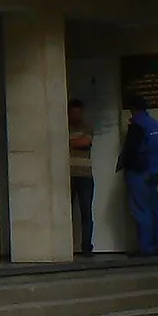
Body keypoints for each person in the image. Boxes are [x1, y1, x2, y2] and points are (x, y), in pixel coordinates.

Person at [116, 95, 158, 255]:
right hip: (153, 172)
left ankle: (146, 248)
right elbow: (157, 151)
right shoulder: (155, 125)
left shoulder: (138, 126)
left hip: (138, 172)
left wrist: (122, 164)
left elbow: (131, 150)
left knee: (140, 210)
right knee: (154, 209)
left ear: (133, 109)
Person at [67, 98, 94, 255]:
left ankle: (86, 246)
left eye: (79, 112)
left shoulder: (87, 127)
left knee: (86, 212)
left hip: (84, 175)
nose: (77, 115)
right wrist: (74, 140)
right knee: (65, 212)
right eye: (73, 112)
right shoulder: (63, 125)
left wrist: (69, 141)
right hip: (68, 175)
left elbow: (84, 142)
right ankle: (67, 246)